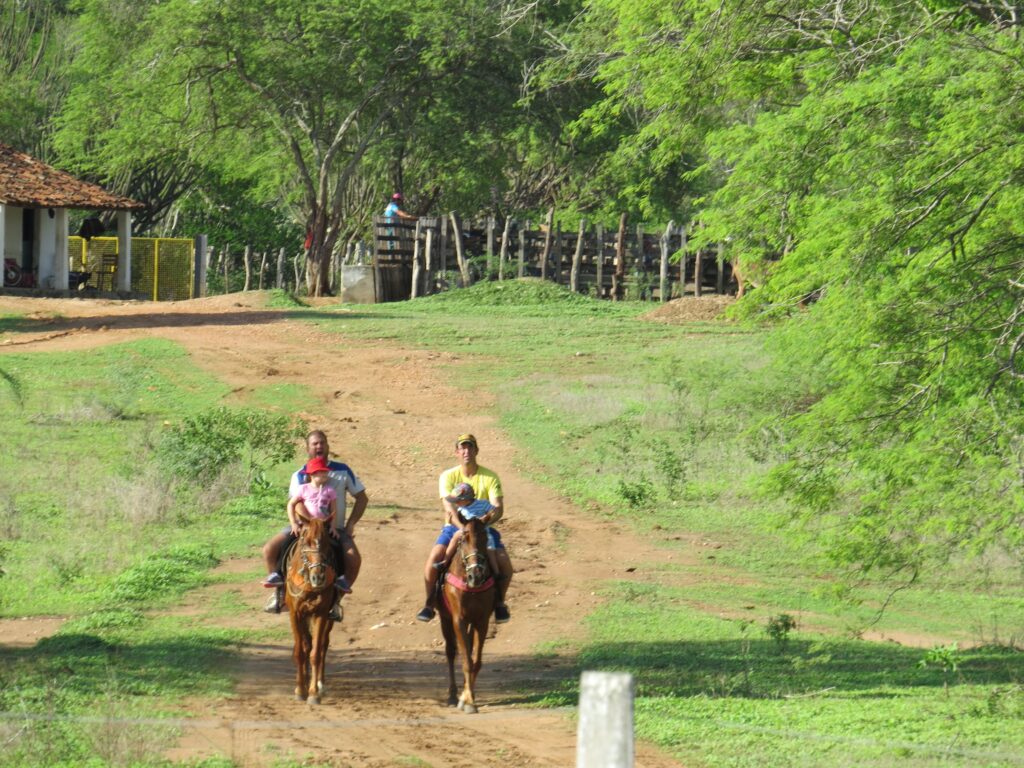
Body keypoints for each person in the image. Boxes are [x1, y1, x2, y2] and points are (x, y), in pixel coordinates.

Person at [262, 430, 368, 620]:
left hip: (334, 528)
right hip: (303, 528)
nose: (319, 447)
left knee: (353, 558)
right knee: (269, 549)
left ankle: (336, 600)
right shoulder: (300, 475)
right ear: (308, 448)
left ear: (327, 446)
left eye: (322, 443)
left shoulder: (343, 470)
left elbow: (361, 497)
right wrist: (309, 524)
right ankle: (278, 593)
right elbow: (297, 503)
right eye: (314, 444)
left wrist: (351, 524)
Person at [416, 434, 513, 624]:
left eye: (470, 447)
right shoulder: (448, 476)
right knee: (434, 557)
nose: (466, 451)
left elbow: (497, 506)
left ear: (476, 450)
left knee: (505, 564)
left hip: (483, 529)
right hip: (454, 527)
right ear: (457, 452)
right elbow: (448, 507)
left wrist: (480, 525)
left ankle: (500, 602)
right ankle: (429, 603)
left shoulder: (490, 476)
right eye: (462, 448)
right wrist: (463, 528)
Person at [438, 482, 502, 577]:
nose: (456, 503)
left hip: (481, 531)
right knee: (455, 537)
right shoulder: (460, 509)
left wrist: (487, 517)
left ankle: (496, 571)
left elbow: (494, 511)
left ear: (466, 500)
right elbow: (454, 520)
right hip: (466, 531)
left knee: (490, 548)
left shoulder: (483, 504)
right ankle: (445, 561)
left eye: (458, 500)